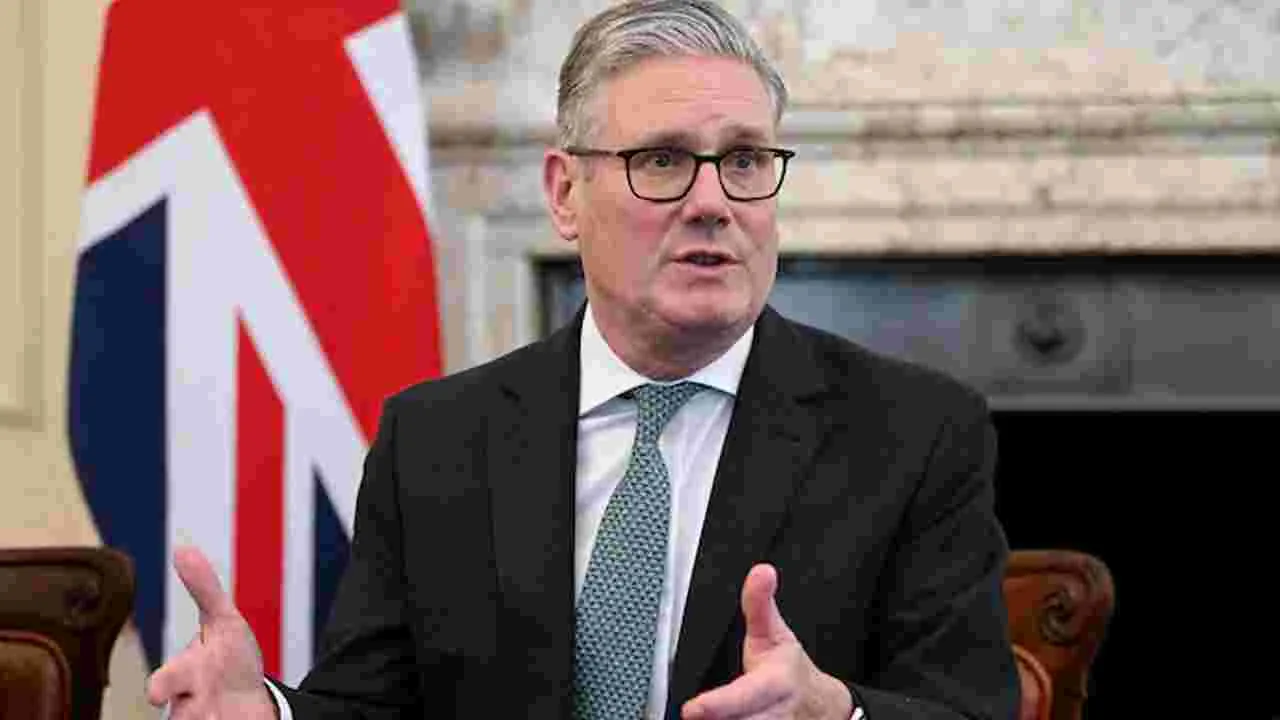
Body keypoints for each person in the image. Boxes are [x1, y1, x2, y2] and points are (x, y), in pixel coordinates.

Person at [146, 1, 1020, 718]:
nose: (712, 201)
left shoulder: (912, 434)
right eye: (663, 160)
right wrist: (268, 712)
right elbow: (374, 708)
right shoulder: (436, 440)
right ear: (566, 194)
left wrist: (837, 713)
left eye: (746, 160)